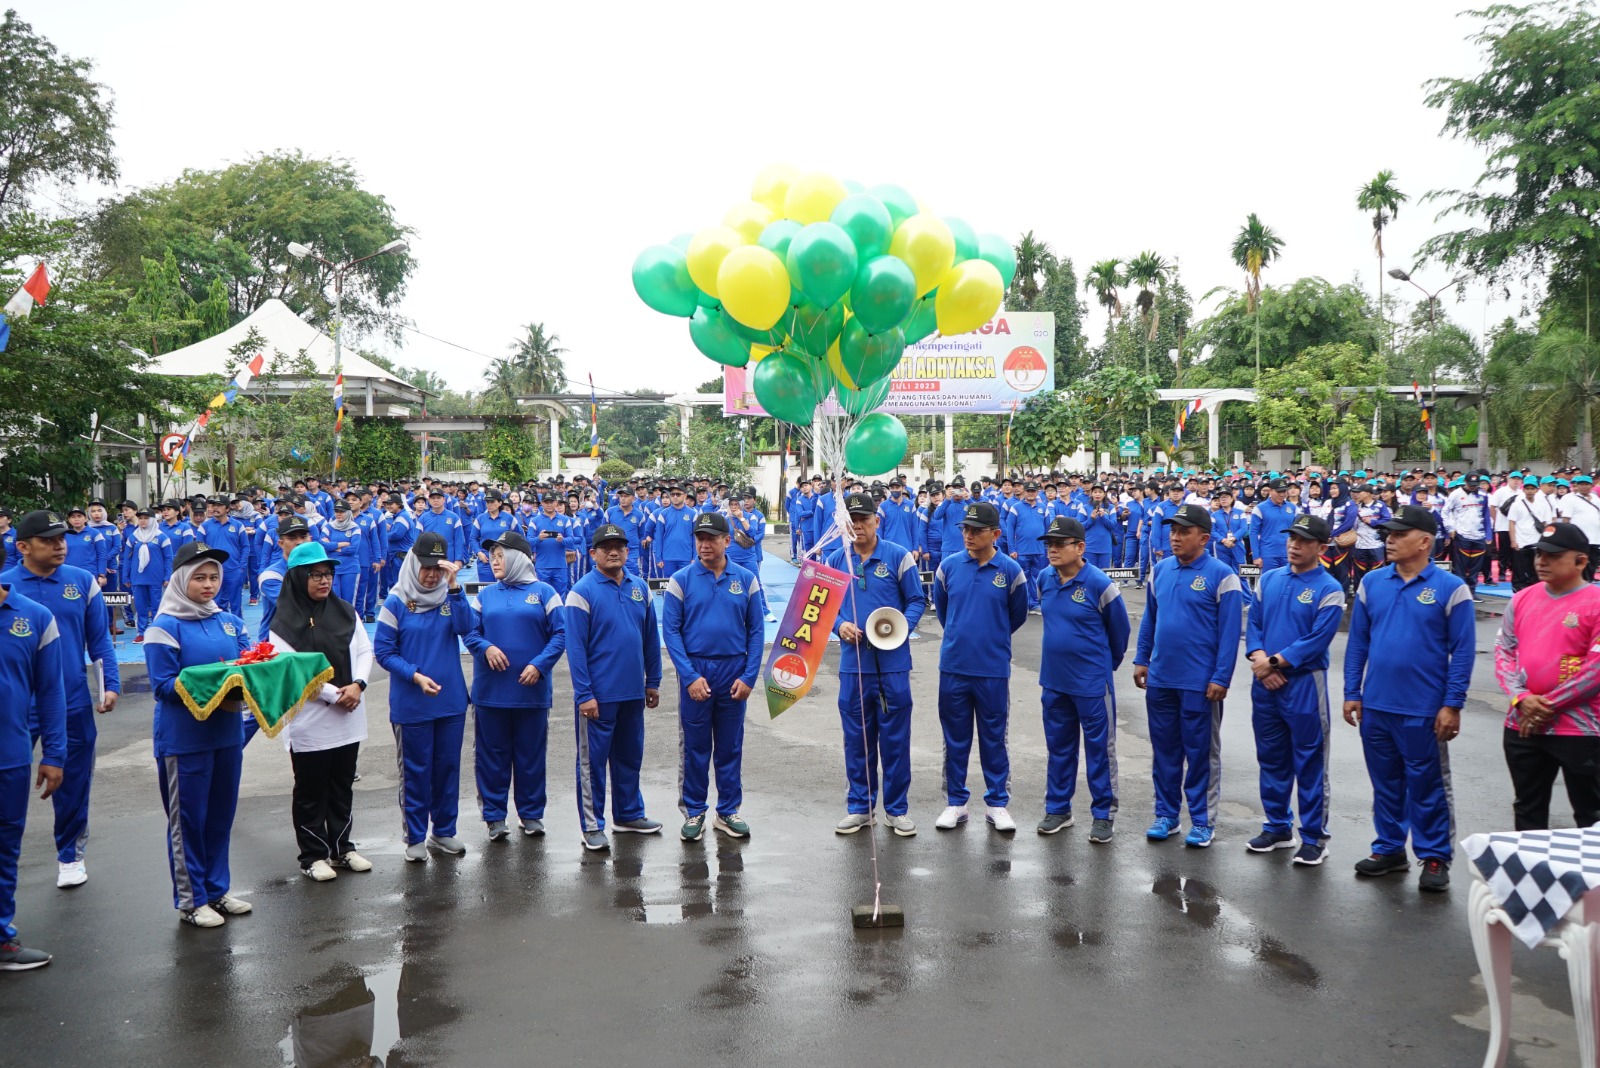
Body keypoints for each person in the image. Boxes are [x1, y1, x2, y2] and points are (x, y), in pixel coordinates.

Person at [1343, 505, 1475, 893]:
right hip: (1378, 705)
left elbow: (1463, 651)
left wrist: (1452, 704)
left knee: (1428, 783)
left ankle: (1434, 856)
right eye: (1389, 534)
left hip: (1424, 708)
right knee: (1385, 782)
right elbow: (1358, 642)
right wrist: (1353, 692)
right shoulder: (1373, 583)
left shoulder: (1452, 589)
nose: (1390, 540)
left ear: (1424, 541)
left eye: (1399, 534)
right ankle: (1389, 849)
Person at [0, 511, 119, 889]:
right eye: (48, 540)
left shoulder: (81, 582)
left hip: (70, 701)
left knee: (72, 781)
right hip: (16, 708)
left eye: (61, 538)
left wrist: (109, 683)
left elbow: (99, 640)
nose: (59, 545)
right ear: (22, 547)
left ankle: (70, 855)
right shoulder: (4, 586)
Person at [142, 541, 253, 927]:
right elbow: (163, 686)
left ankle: (217, 890)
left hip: (226, 734)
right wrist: (218, 689)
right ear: (180, 580)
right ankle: (191, 900)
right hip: (184, 740)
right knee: (188, 821)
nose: (209, 585)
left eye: (214, 577)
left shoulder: (229, 621)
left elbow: (249, 665)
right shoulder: (163, 627)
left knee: (221, 817)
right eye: (200, 578)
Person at [1132, 504, 1245, 847]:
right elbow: (1150, 619)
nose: (1176, 537)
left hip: (1200, 682)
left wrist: (1221, 677)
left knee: (1200, 754)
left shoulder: (1222, 575)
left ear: (1204, 537)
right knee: (1165, 751)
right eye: (1173, 531)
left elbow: (1229, 634)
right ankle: (1166, 815)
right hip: (1162, 679)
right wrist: (1141, 658)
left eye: (1184, 532)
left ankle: (1202, 820)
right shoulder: (1161, 570)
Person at [1243, 514, 1345, 865]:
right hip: (1265, 682)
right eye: (1291, 539)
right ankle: (1277, 826)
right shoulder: (1269, 579)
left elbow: (1316, 640)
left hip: (1304, 684)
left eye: (1303, 541)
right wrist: (1260, 660)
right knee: (1271, 757)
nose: (1294, 545)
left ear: (1321, 547)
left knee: (1311, 760)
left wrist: (1273, 663)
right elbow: (1254, 623)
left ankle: (1315, 836)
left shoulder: (1329, 588)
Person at [268, 542, 374, 882]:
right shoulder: (283, 622)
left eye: (327, 574)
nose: (323, 580)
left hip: (349, 713)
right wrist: (332, 694)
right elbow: (291, 671)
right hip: (310, 720)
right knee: (312, 789)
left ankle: (343, 847)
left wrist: (357, 684)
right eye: (315, 575)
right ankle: (313, 855)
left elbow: (363, 649)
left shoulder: (344, 610)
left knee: (342, 784)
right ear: (299, 578)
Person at [826, 493, 926, 837]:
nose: (858, 527)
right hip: (853, 667)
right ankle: (860, 807)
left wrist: (899, 630)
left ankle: (896, 810)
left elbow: (916, 600)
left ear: (876, 521)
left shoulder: (898, 557)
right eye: (852, 521)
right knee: (857, 739)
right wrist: (840, 625)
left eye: (864, 520)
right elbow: (824, 607)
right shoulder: (837, 559)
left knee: (895, 739)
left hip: (892, 665)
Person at [663, 513, 765, 842]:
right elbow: (672, 633)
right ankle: (694, 811)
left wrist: (750, 676)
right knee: (694, 746)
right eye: (700, 539)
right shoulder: (681, 580)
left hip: (734, 671)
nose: (704, 545)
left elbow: (756, 631)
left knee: (729, 745)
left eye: (711, 538)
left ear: (726, 541)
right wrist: (689, 676)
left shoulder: (746, 579)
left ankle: (728, 811)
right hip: (697, 670)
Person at [1493, 522, 1600, 829]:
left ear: (1581, 561)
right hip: (1522, 725)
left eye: (1552, 555)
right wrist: (1521, 698)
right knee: (1527, 808)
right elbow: (1504, 652)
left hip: (1580, 728)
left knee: (1591, 813)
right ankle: (1530, 877)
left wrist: (1547, 705)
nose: (1541, 561)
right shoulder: (1521, 599)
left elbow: (1595, 669)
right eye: (1539, 553)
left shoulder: (1595, 603)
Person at [374, 533, 473, 863]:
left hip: (450, 701)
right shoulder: (396, 602)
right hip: (412, 702)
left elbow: (466, 627)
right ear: (414, 564)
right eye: (426, 568)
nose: (432, 576)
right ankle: (415, 835)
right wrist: (414, 675)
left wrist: (456, 587)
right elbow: (384, 653)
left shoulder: (449, 596)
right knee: (415, 772)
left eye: (438, 569)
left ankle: (444, 831)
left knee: (447, 768)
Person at [931, 501, 1029, 832]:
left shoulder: (1011, 572)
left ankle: (997, 803)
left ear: (996, 534)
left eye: (976, 531)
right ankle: (955, 802)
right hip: (955, 667)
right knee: (955, 738)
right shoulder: (948, 567)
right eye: (965, 530)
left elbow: (1016, 616)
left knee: (993, 739)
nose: (969, 536)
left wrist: (991, 638)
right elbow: (944, 612)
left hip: (992, 669)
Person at [565, 523, 663, 852]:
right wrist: (585, 694)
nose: (613, 551)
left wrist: (654, 681)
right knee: (592, 762)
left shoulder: (640, 589)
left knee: (629, 757)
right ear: (592, 554)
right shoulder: (582, 592)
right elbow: (576, 650)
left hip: (633, 693)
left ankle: (629, 814)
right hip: (599, 697)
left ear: (627, 551)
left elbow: (651, 638)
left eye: (619, 546)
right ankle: (592, 825)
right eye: (605, 547)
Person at [465, 531, 565, 841]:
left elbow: (560, 635)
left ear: (519, 558)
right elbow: (470, 633)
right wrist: (485, 648)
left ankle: (531, 814)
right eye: (492, 556)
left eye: (500, 555)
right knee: (491, 756)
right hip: (491, 694)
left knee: (530, 756)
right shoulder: (486, 595)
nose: (494, 561)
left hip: (531, 692)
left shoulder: (546, 592)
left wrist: (539, 664)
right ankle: (495, 817)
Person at [1037, 516, 1129, 842]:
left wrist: (1104, 667)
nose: (1052, 550)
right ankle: (1059, 808)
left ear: (1080, 547)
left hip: (1090, 683)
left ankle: (1103, 814)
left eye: (1060, 544)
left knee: (1099, 750)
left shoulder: (1100, 584)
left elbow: (1120, 633)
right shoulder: (1044, 578)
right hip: (1054, 681)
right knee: (1059, 748)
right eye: (1049, 544)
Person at [0, 555, 66, 969]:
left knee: (5, 847)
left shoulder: (35, 617)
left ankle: (2, 938)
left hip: (10, 756)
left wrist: (54, 752)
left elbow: (51, 690)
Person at [124, 508, 174, 642]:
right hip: (137, 577)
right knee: (140, 607)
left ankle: (157, 631)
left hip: (156, 578)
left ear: (152, 520)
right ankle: (141, 632)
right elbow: (127, 558)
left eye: (146, 518)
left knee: (156, 606)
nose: (142, 521)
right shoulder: (133, 537)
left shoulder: (162, 537)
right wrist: (126, 576)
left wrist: (167, 576)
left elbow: (168, 558)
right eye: (140, 518)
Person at [1250, 478, 1299, 576]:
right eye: (1278, 491)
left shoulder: (1292, 508)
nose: (1282, 494)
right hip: (1268, 554)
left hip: (1288, 553)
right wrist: (1256, 556)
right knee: (1269, 584)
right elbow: (1253, 533)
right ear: (1270, 491)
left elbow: (1297, 531)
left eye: (1284, 491)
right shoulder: (1260, 508)